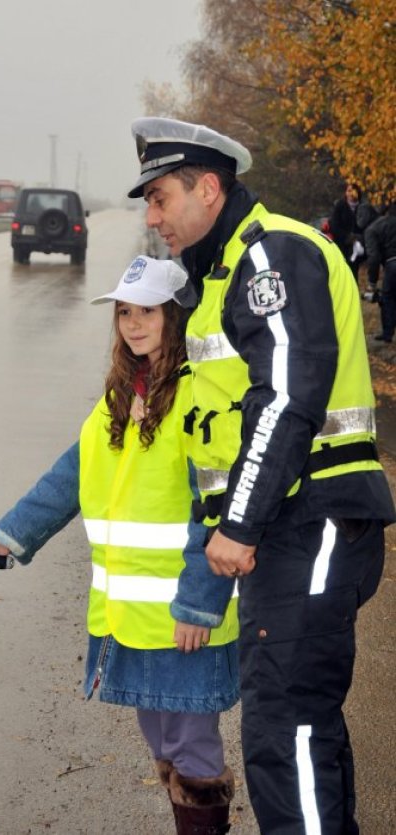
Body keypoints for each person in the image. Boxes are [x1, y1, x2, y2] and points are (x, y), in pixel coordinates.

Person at [126, 117, 395, 835]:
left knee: (285, 732)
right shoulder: (221, 272)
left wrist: (237, 523)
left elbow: (287, 394)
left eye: (159, 198)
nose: (152, 218)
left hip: (310, 518)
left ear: (208, 188)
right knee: (303, 723)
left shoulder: (269, 252)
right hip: (292, 526)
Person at [0, 255, 240, 835]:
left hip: (186, 616)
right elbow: (69, 478)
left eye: (146, 311)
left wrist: (199, 603)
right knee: (163, 743)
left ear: (175, 315)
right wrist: (7, 537)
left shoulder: (198, 397)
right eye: (122, 313)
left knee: (192, 747)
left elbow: (212, 508)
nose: (133, 324)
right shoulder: (118, 399)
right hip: (129, 617)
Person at [328, 182, 374, 283]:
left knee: (354, 269)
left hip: (359, 245)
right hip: (342, 244)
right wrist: (349, 238)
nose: (351, 193)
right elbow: (335, 226)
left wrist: (359, 239)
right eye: (348, 191)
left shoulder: (363, 208)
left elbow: (368, 225)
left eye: (353, 191)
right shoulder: (340, 206)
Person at [364, 201, 396, 344]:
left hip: (392, 263)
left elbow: (374, 257)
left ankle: (388, 333)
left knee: (387, 298)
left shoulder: (371, 230)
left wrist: (372, 281)